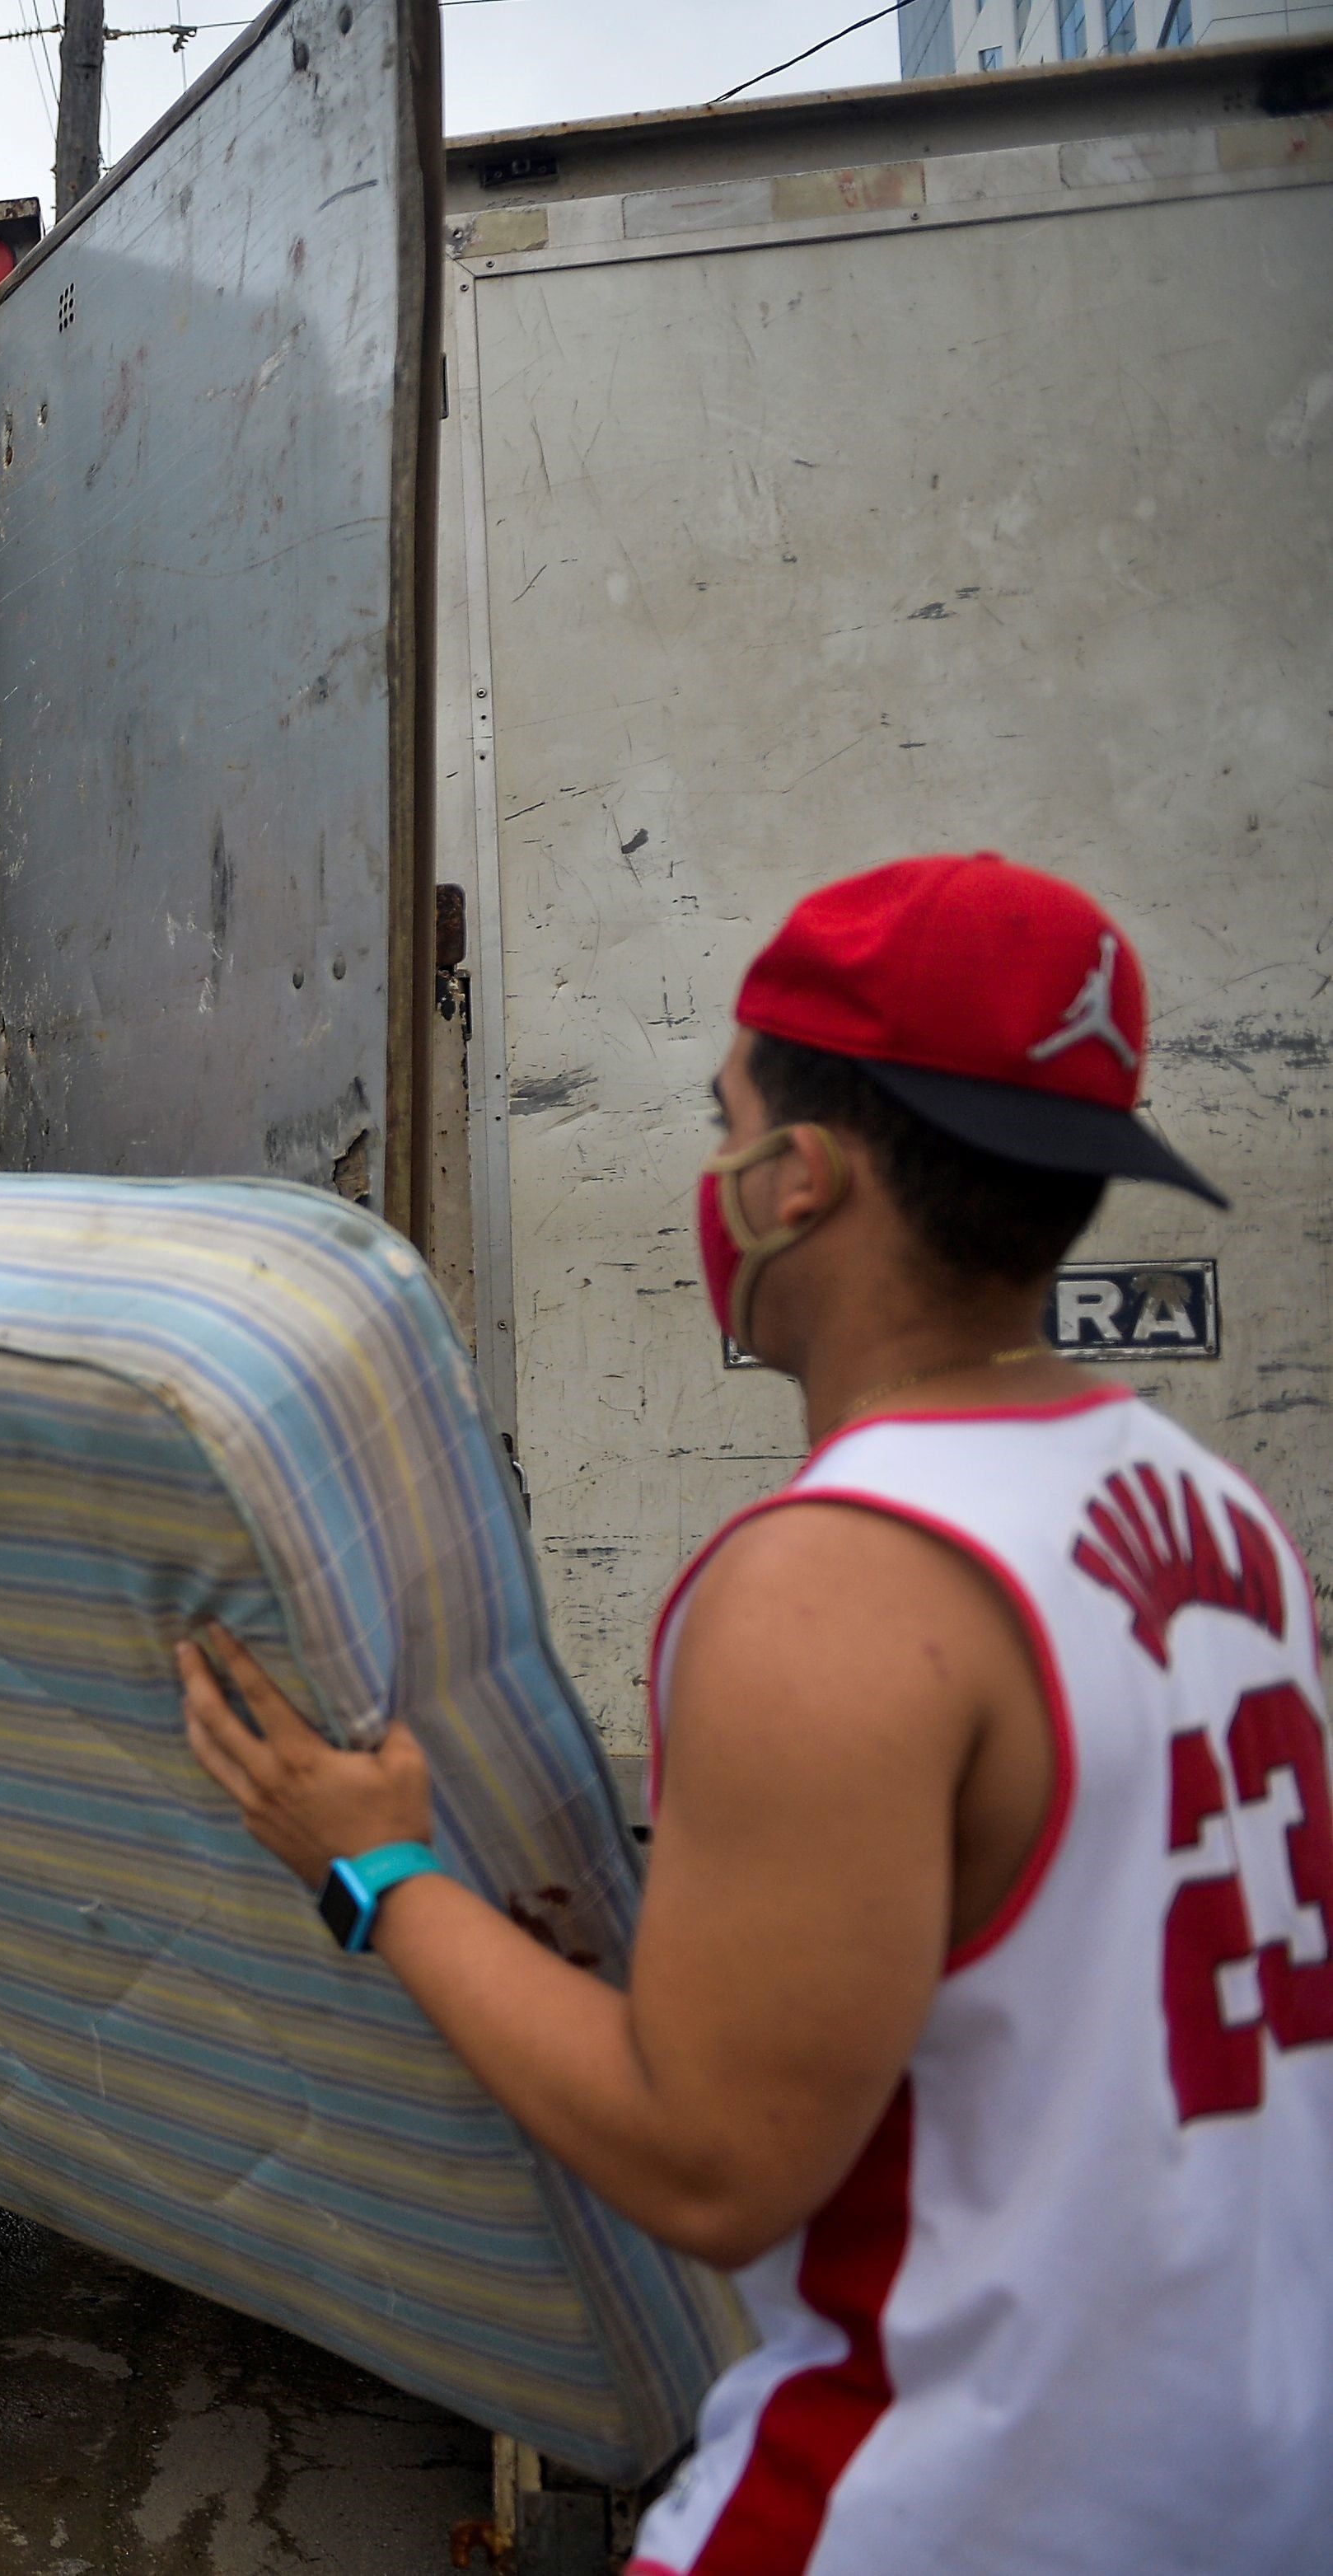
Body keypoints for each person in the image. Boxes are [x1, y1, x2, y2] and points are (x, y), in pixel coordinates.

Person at [175, 856, 1327, 2574]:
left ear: (795, 1177)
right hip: (1238, 2476)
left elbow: (712, 2167)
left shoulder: (842, 1579)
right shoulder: (1214, 1517)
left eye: (722, 1120)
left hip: (942, 2505)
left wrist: (374, 1870)